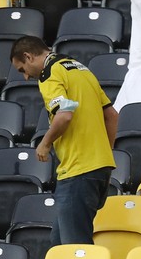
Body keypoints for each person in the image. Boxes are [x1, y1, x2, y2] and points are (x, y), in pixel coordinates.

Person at [10, 36, 118, 245]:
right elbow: (111, 116)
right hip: (99, 167)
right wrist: (105, 153)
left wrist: (45, 142)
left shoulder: (49, 74)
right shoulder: (81, 69)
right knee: (59, 244)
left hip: (77, 169)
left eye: (22, 70)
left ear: (28, 56)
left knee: (74, 248)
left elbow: (64, 114)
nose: (25, 78)